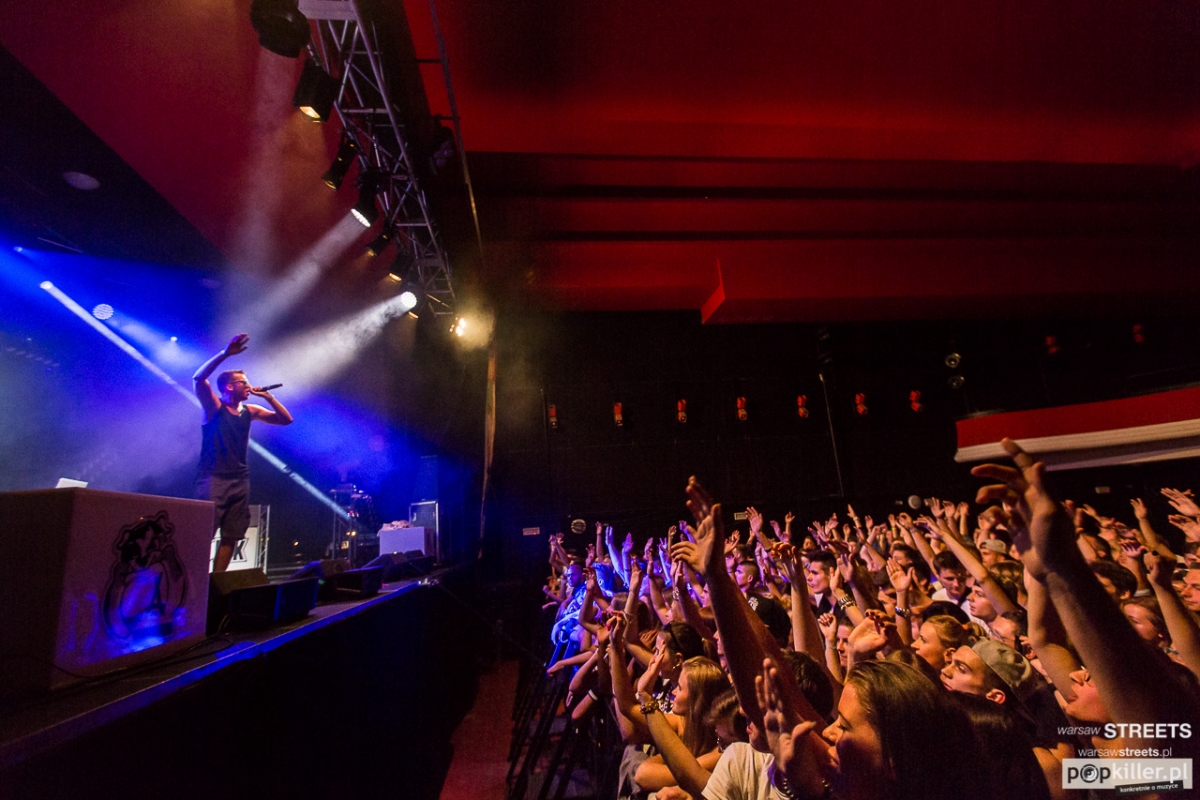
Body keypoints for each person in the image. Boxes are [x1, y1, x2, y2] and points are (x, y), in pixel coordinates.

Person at [193, 333, 293, 572]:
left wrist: (268, 397)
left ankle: (217, 581)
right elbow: (198, 378)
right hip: (213, 478)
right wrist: (225, 354)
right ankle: (196, 578)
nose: (248, 386)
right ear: (229, 387)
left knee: (232, 535)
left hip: (239, 479)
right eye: (243, 383)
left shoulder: (251, 410)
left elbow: (286, 420)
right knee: (204, 533)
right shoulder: (215, 408)